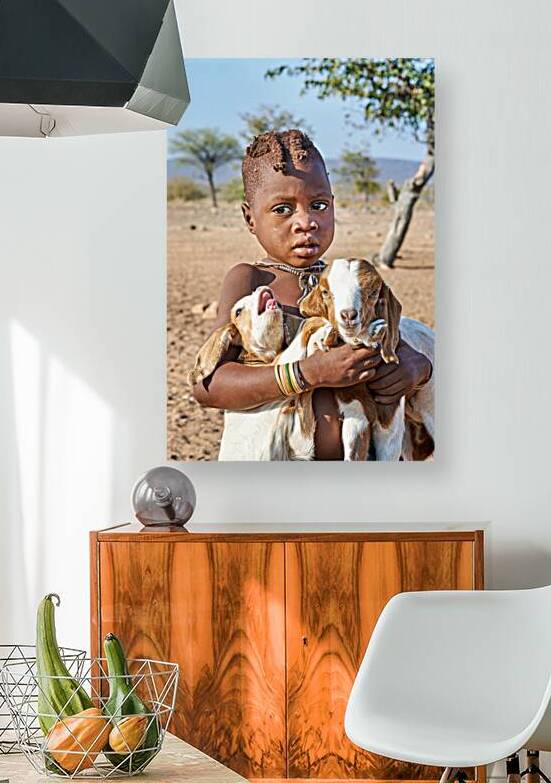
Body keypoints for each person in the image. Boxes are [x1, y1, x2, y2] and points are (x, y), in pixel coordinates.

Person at [191, 129, 432, 460]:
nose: (306, 222)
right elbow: (209, 385)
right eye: (282, 209)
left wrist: (417, 368)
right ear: (250, 218)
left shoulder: (343, 280)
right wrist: (308, 373)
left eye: (318, 206)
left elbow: (390, 340)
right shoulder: (251, 280)